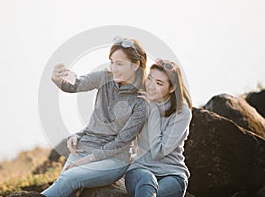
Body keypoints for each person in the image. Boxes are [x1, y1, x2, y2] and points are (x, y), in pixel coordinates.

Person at [41, 36, 148, 197]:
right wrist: (58, 78)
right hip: (83, 148)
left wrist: (85, 161)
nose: (113, 68)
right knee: (64, 184)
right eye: (111, 62)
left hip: (114, 161)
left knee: (70, 178)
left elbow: (120, 143)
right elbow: (76, 83)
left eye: (119, 64)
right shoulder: (104, 77)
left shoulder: (141, 102)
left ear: (136, 65)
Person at [125, 59, 193, 197]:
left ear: (172, 88)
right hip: (140, 171)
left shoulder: (182, 113)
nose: (150, 86)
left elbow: (158, 152)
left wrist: (153, 109)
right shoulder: (140, 101)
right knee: (146, 180)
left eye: (159, 83)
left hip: (172, 175)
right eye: (150, 79)